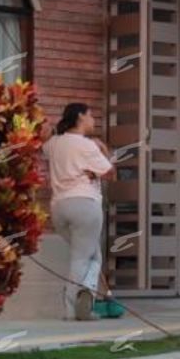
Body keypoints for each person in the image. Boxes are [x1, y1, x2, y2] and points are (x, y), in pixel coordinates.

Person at [44, 103, 114, 320]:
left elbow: (43, 146)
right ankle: (71, 308)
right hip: (85, 204)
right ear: (81, 117)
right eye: (91, 115)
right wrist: (102, 149)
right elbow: (110, 173)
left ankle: (88, 300)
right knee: (83, 258)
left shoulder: (54, 143)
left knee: (93, 256)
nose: (93, 120)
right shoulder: (87, 145)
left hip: (58, 208)